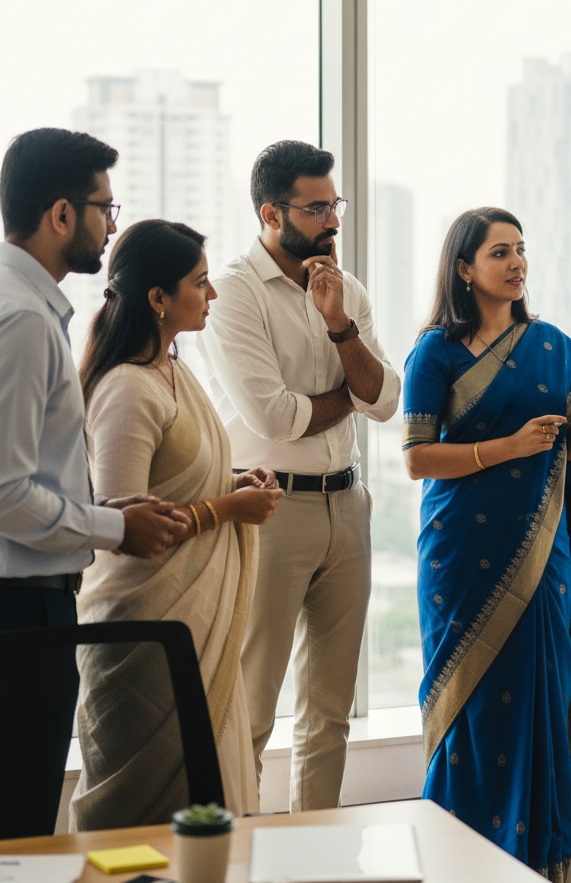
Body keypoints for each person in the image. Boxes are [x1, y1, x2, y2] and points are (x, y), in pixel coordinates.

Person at [402, 207, 571, 881]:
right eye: (500, 252)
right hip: (462, 554)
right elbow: (417, 458)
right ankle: (460, 859)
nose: (517, 263)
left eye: (521, 250)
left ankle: (544, 861)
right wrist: (508, 447)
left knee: (540, 693)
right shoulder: (433, 350)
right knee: (470, 709)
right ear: (464, 269)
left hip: (542, 550)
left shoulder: (551, 345)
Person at [0, 128, 190, 840]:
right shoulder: (21, 319)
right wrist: (115, 528)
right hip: (20, 613)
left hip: (27, 601)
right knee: (17, 826)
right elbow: (5, 494)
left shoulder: (26, 306)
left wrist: (97, 507)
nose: (112, 225)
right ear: (60, 215)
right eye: (105, 208)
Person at [198, 140, 400, 811]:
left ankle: (320, 857)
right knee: (251, 707)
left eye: (333, 204)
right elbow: (277, 416)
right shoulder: (231, 292)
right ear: (270, 211)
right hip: (269, 509)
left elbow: (389, 399)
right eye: (316, 208)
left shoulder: (348, 292)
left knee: (330, 711)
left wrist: (340, 326)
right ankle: (238, 856)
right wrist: (353, 395)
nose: (332, 221)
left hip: (348, 505)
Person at [68, 219, 283, 829]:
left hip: (196, 627)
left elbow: (173, 486)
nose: (211, 295)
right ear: (158, 299)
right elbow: (124, 531)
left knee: (212, 792)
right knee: (150, 815)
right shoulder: (129, 389)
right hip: (148, 633)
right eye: (200, 283)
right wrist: (227, 510)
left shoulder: (173, 369)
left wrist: (234, 485)